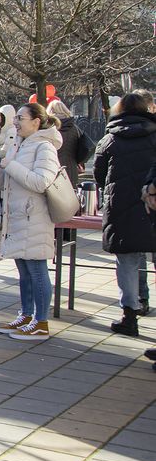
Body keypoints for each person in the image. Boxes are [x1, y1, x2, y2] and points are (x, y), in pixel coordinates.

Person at [0, 103, 64, 340]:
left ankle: (41, 322)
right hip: (18, 218)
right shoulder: (21, 143)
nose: (15, 122)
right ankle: (27, 316)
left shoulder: (44, 147)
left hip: (34, 218)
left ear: (37, 122)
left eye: (21, 118)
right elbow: (7, 182)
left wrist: (11, 165)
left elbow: (41, 182)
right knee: (25, 270)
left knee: (36, 270)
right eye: (15, 118)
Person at [94, 91, 156, 337]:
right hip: (151, 204)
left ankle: (129, 314)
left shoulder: (110, 139)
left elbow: (99, 175)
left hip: (121, 207)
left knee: (127, 263)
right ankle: (144, 302)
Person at [48, 99, 94, 190]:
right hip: (71, 168)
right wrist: (79, 161)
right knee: (69, 198)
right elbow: (87, 146)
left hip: (51, 168)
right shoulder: (75, 128)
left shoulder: (48, 129)